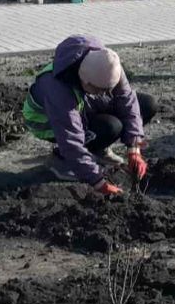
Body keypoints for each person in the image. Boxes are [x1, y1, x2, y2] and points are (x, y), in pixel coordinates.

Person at [21, 35, 158, 196]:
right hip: (46, 121)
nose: (106, 94)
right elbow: (71, 140)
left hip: (82, 103)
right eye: (101, 90)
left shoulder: (106, 62)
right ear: (85, 82)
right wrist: (98, 182)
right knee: (111, 127)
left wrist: (134, 148)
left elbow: (127, 101)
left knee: (147, 105)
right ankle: (61, 160)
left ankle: (96, 149)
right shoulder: (58, 90)